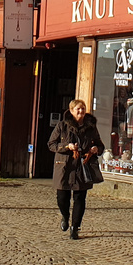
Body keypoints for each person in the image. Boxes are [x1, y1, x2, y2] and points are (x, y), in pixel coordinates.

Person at [46, 98, 104, 240]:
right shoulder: (62, 126)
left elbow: (100, 145)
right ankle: (65, 217)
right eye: (78, 109)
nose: (81, 111)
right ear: (71, 111)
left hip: (82, 166)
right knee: (62, 197)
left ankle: (75, 227)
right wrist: (66, 147)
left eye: (83, 108)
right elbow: (51, 144)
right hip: (64, 166)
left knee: (80, 198)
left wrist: (96, 149)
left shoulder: (91, 127)